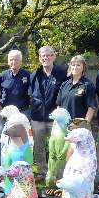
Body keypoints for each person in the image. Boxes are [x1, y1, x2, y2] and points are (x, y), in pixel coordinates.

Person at [29, 46, 68, 182]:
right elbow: (31, 94)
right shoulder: (35, 74)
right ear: (39, 58)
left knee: (58, 146)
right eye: (43, 56)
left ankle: (58, 173)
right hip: (37, 117)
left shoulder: (62, 73)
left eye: (49, 55)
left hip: (55, 119)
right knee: (39, 146)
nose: (46, 58)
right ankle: (41, 172)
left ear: (54, 57)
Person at [56, 55, 97, 123]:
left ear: (83, 68)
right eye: (73, 65)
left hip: (78, 126)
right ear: (70, 67)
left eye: (78, 65)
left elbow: (91, 107)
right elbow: (59, 105)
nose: (75, 67)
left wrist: (85, 124)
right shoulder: (64, 84)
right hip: (63, 125)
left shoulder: (87, 85)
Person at [0, 49, 31, 118]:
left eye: (16, 59)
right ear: (8, 62)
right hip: (6, 113)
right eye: (11, 60)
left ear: (21, 62)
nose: (14, 62)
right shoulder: (2, 76)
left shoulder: (28, 75)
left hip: (23, 112)